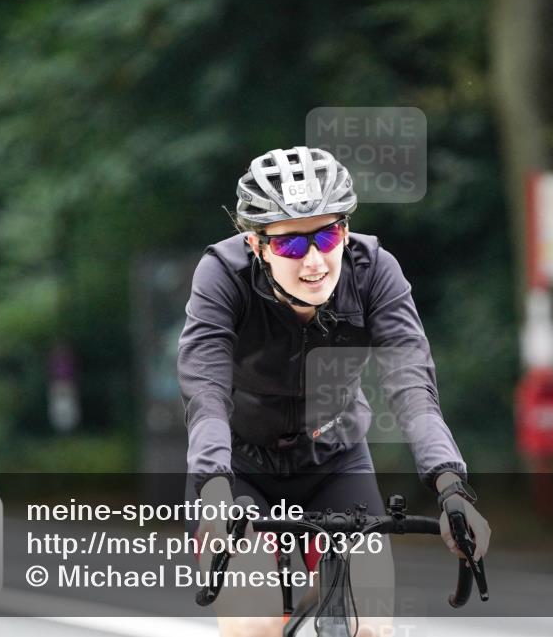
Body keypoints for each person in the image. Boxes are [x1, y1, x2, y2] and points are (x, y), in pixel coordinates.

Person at [178, 146, 491, 637]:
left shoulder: (373, 270)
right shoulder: (222, 275)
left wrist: (450, 486)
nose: (315, 261)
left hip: (335, 460)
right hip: (238, 470)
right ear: (256, 244)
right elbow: (205, 392)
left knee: (369, 627)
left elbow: (412, 388)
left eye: (327, 235)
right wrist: (214, 490)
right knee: (254, 625)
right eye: (291, 246)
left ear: (345, 230)